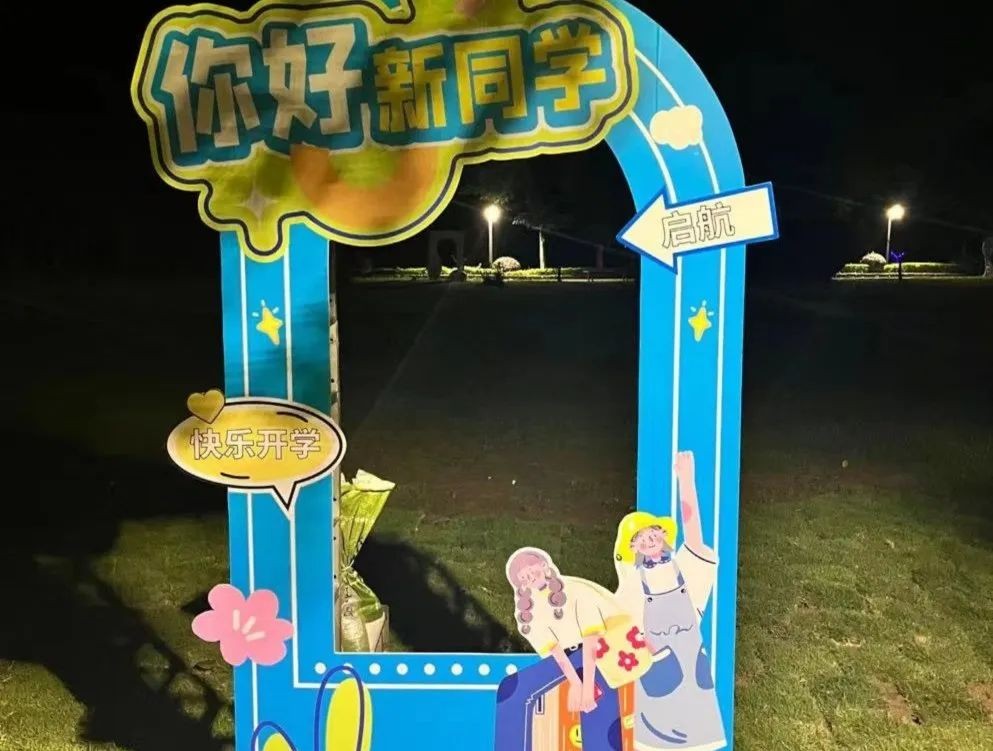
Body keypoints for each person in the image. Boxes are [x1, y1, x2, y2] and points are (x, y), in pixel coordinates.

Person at [614, 451, 726, 751]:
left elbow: (694, 537)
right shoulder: (632, 583)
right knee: (656, 739)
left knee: (699, 737)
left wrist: (686, 481)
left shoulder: (685, 568)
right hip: (659, 673)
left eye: (653, 533)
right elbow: (622, 626)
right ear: (632, 549)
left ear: (664, 537)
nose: (648, 540)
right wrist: (656, 657)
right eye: (639, 538)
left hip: (693, 667)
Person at [494, 548, 624, 751]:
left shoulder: (574, 590)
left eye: (531, 569)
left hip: (602, 650)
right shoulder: (529, 610)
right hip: (569, 657)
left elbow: (591, 640)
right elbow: (555, 651)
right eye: (523, 578)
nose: (529, 577)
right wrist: (575, 683)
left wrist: (586, 687)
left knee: (595, 704)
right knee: (512, 690)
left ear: (544, 565)